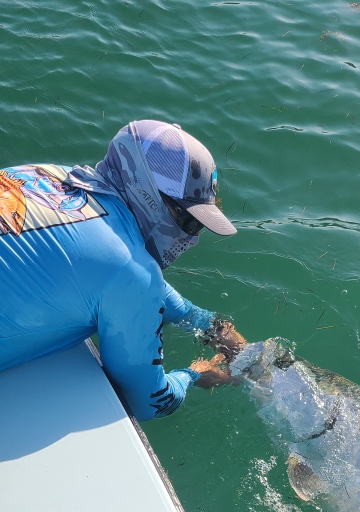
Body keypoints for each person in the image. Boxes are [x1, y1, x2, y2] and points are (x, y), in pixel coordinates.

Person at [0, 119, 246, 420]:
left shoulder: (48, 175)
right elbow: (150, 403)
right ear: (147, 193)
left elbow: (116, 270)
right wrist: (195, 374)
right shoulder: (130, 271)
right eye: (189, 222)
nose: (192, 239)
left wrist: (211, 327)